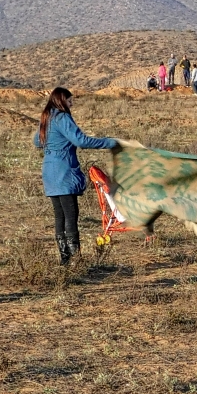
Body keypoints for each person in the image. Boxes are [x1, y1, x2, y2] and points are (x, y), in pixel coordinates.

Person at [34, 87, 118, 264]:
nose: (72, 104)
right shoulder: (61, 117)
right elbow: (81, 140)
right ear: (62, 100)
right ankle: (75, 260)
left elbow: (37, 141)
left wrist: (55, 144)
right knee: (71, 215)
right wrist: (110, 142)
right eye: (70, 100)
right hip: (64, 171)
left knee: (60, 215)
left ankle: (64, 259)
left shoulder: (47, 117)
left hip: (49, 171)